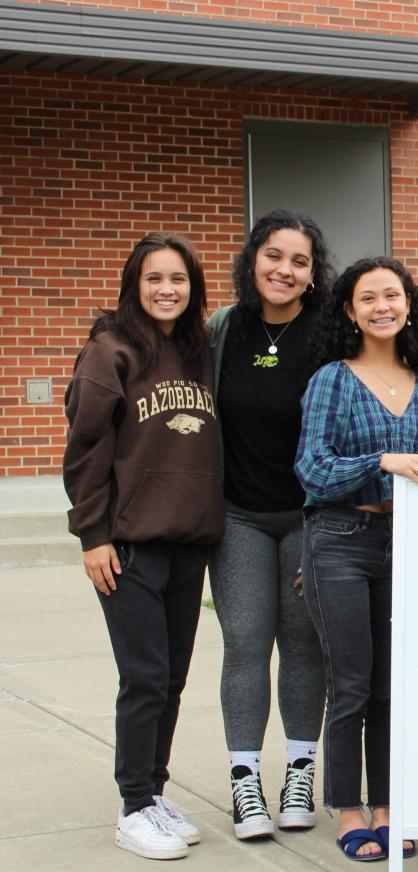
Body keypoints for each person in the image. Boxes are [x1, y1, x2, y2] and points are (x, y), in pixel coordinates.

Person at [295, 256, 418, 862]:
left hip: (409, 547)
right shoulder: (332, 380)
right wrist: (382, 462)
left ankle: (390, 807)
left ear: (409, 304)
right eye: (368, 298)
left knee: (395, 689)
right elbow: (312, 469)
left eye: (392, 295)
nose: (382, 307)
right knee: (351, 686)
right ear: (350, 310)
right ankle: (347, 810)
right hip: (340, 541)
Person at [63, 233, 224, 860]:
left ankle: (153, 793)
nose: (166, 290)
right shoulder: (110, 353)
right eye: (154, 278)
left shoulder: (195, 351)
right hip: (128, 547)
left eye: (178, 279)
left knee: (173, 678)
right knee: (145, 677)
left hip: (188, 542)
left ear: (193, 288)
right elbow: (84, 453)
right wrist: (92, 535)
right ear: (135, 283)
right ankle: (133, 805)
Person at [205, 210, 334, 840]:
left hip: (311, 515)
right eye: (274, 255)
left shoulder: (330, 333)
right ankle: (245, 781)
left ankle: (301, 774)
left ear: (314, 273)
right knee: (247, 643)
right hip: (238, 515)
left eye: (300, 260)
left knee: (305, 644)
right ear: (253, 259)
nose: (285, 269)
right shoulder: (224, 329)